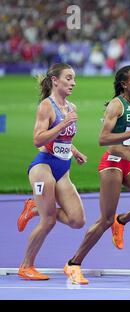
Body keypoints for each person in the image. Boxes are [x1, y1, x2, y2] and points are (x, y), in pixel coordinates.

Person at [64, 65, 130, 285]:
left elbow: (123, 136)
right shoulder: (116, 105)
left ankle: (121, 220)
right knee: (104, 220)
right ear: (124, 84)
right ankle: (74, 264)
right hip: (112, 165)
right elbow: (103, 139)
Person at [17, 63, 87, 280]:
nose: (73, 83)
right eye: (68, 78)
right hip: (43, 167)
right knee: (48, 221)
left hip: (63, 168)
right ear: (55, 80)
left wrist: (75, 151)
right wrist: (63, 123)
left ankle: (35, 207)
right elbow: (38, 139)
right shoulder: (46, 107)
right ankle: (26, 266)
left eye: (74, 79)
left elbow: (64, 138)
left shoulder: (71, 106)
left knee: (77, 220)